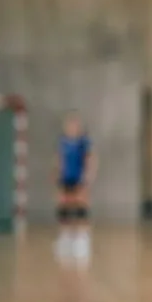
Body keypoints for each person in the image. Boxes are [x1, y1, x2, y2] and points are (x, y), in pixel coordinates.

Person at [54, 112, 95, 268]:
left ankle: (82, 240)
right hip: (66, 178)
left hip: (79, 177)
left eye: (73, 125)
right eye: (68, 125)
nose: (70, 128)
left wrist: (87, 177)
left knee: (81, 207)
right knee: (64, 206)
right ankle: (65, 238)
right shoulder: (63, 142)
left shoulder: (84, 142)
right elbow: (59, 159)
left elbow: (90, 159)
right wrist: (57, 173)